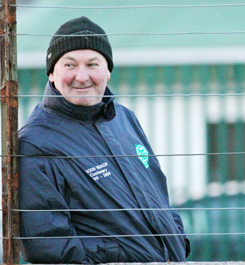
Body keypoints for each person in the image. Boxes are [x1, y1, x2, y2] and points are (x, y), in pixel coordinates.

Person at [19, 16, 190, 263]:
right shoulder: (36, 143)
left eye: (92, 64)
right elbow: (47, 245)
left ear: (107, 71)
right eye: (69, 65)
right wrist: (121, 256)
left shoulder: (124, 119)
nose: (81, 76)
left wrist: (177, 239)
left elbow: (158, 193)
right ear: (52, 74)